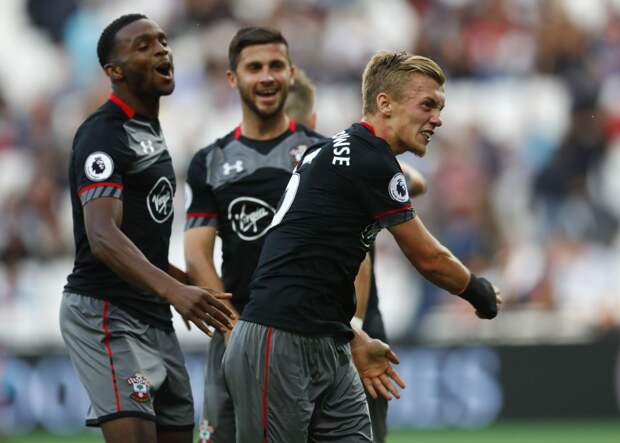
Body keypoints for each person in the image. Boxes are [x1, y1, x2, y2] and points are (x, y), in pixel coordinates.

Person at [223, 51, 502, 442]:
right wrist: (478, 291)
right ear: (384, 103)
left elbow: (324, 259)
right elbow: (428, 257)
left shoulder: (337, 151)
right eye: (427, 105)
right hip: (277, 339)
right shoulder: (369, 161)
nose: (437, 119)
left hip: (328, 338)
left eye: (439, 107)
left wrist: (351, 333)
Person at [59, 14, 234, 443]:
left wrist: (185, 282)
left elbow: (139, 241)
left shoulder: (150, 130)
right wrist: (174, 291)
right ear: (113, 71)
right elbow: (101, 236)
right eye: (142, 46)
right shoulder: (102, 134)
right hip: (106, 310)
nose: (160, 49)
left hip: (151, 312)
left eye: (162, 40)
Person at [183, 27, 325, 443]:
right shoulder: (210, 162)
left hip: (305, 336)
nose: (266, 76)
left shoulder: (323, 155)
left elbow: (353, 254)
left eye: (276, 66)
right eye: (254, 67)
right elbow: (196, 257)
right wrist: (235, 331)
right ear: (233, 78)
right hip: (236, 331)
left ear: (291, 73)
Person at [285, 66, 428, 443]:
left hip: (321, 328)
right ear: (312, 121)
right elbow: (416, 182)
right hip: (342, 326)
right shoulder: (336, 156)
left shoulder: (321, 161)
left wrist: (353, 332)